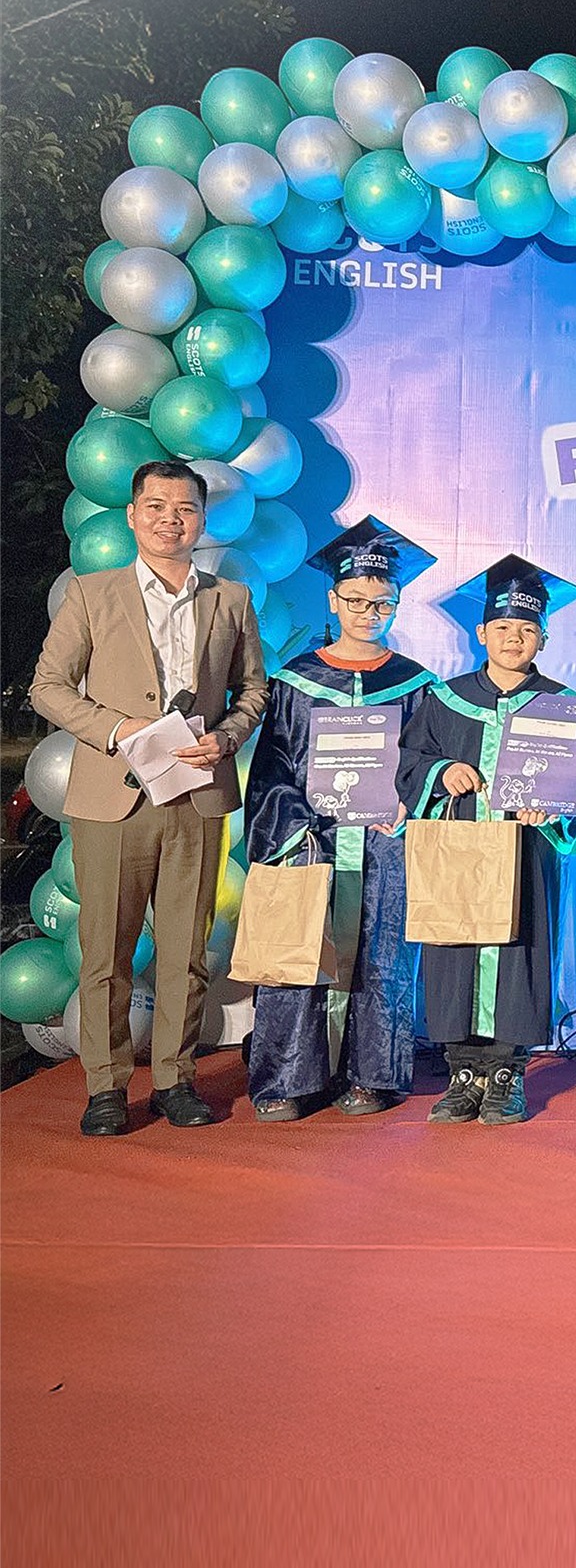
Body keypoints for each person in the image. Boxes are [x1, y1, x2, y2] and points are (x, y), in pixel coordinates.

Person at [31, 458, 268, 1135]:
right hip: (116, 797)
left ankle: (174, 1078)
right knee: (107, 951)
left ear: (202, 519)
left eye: (185, 508)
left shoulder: (230, 599)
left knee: (186, 950)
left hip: (196, 795)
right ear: (133, 516)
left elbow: (254, 690)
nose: (171, 519)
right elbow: (48, 688)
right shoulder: (92, 593)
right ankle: (106, 1087)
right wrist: (118, 729)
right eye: (157, 507)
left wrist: (227, 737)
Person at [242, 519, 437, 1121]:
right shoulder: (295, 681)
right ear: (334, 600)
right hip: (310, 839)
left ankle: (373, 1075)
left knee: (384, 954)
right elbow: (272, 766)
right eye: (355, 600)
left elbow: (427, 758)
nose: (368, 613)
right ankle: (289, 1078)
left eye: (382, 602)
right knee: (297, 950)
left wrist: (409, 799)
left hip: (385, 842)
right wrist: (296, 828)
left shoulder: (416, 684)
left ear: (396, 603)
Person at [397, 557, 576, 1127]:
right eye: (503, 628)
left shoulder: (562, 703)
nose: (514, 638)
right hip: (459, 849)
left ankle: (507, 1075)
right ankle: (462, 1074)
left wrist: (551, 805)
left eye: (527, 629)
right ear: (482, 633)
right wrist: (441, 772)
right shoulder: (444, 698)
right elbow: (409, 762)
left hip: (527, 851)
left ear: (543, 638)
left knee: (520, 950)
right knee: (455, 948)